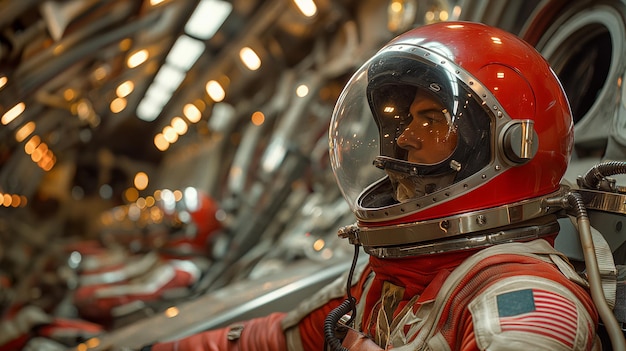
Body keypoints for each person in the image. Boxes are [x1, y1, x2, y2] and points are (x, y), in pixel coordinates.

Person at [142, 21, 606, 351]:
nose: (403, 139)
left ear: (503, 145)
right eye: (403, 122)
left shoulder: (526, 309)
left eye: (431, 120)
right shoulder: (386, 281)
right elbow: (277, 337)